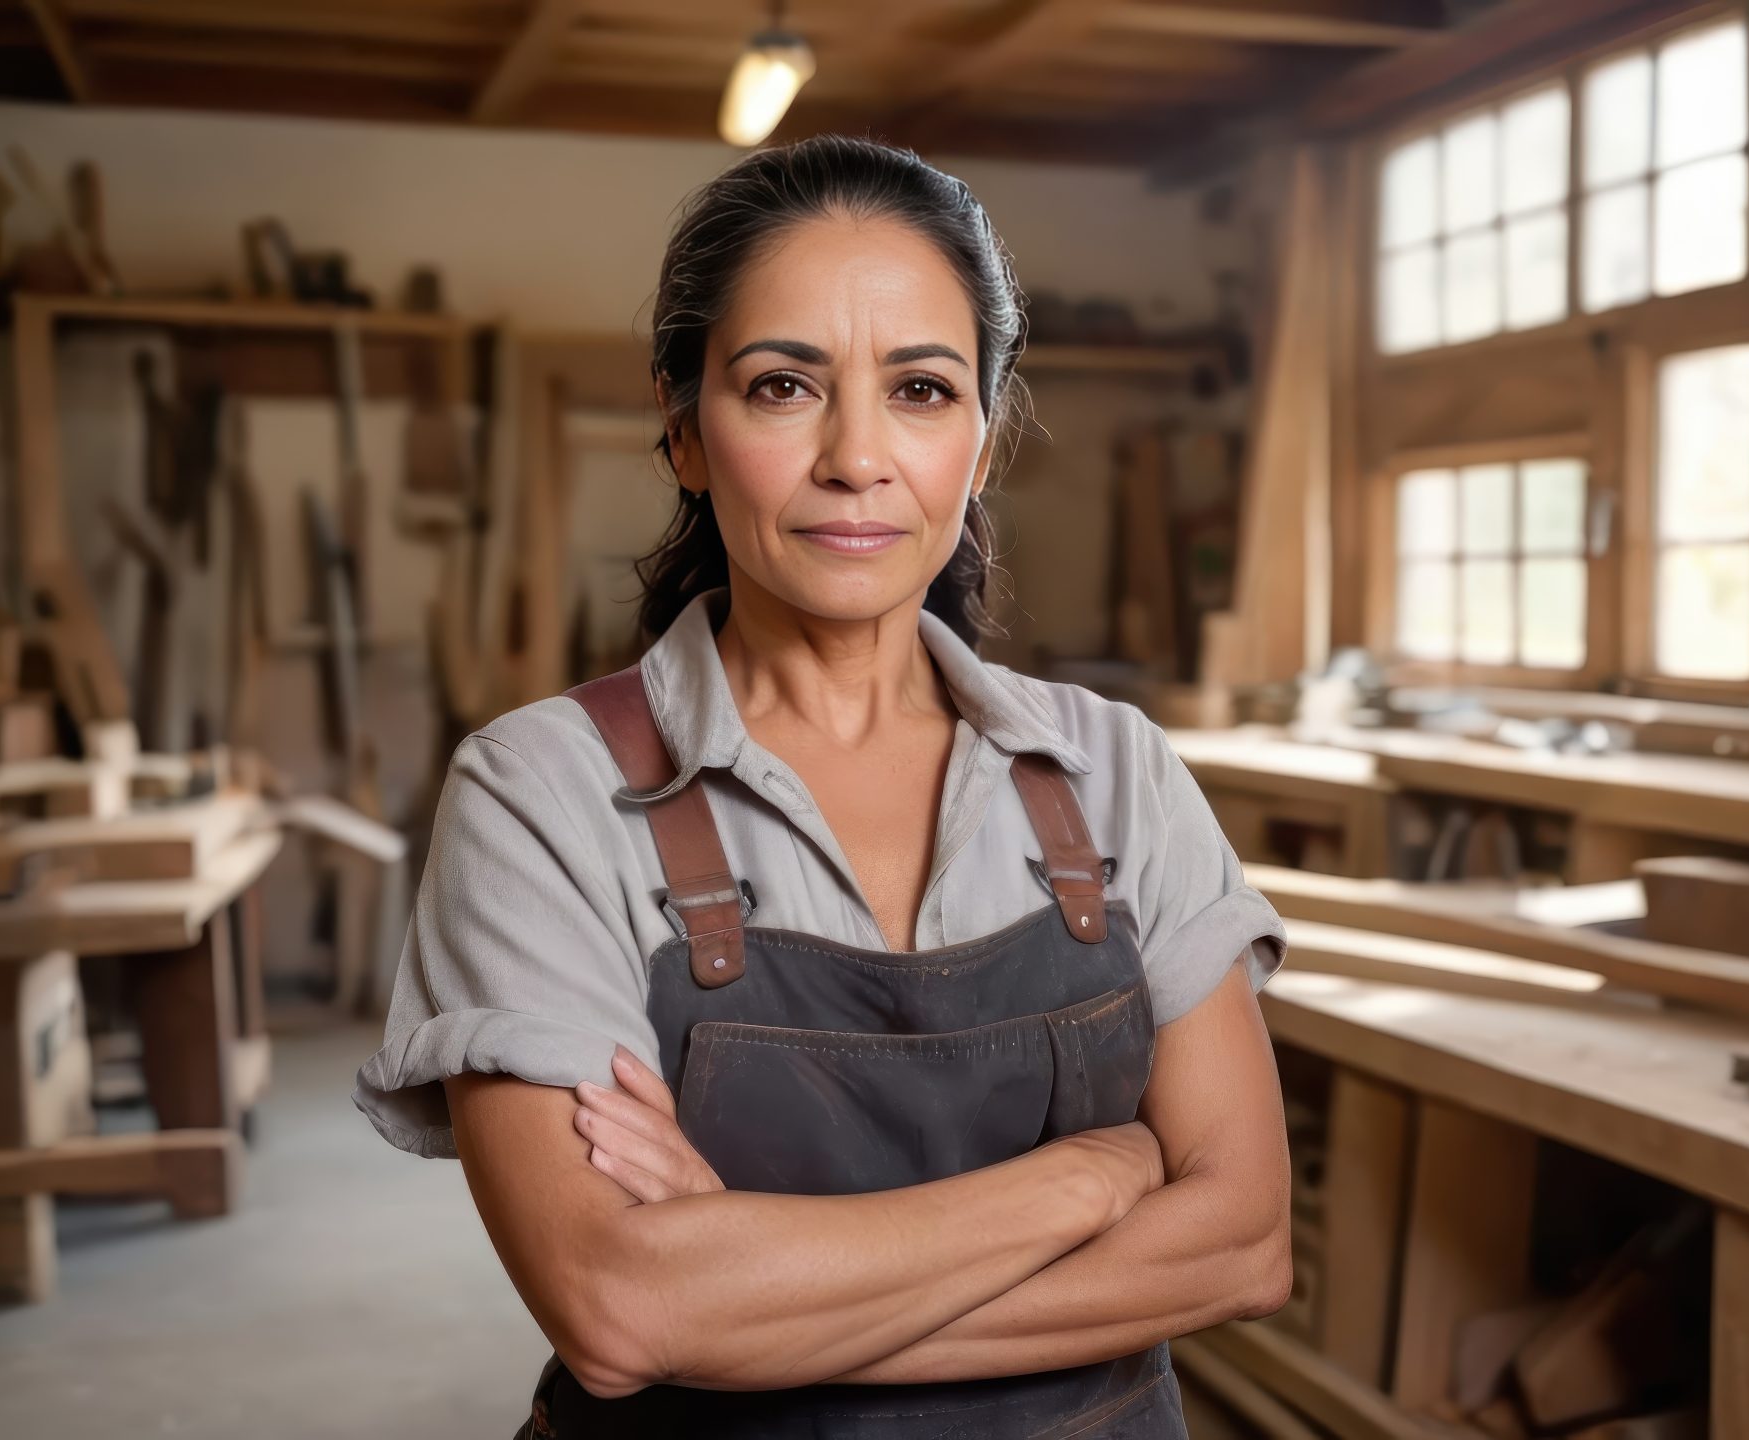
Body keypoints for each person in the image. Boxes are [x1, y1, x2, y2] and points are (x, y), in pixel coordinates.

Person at [353, 133, 1292, 1438]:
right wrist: (1088, 1179)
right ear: (685, 430)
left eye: (922, 389)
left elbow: (1240, 1244)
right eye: (784, 386)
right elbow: (620, 1311)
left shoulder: (1113, 771)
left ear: (984, 438)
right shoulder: (540, 793)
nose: (858, 456)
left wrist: (744, 1298)